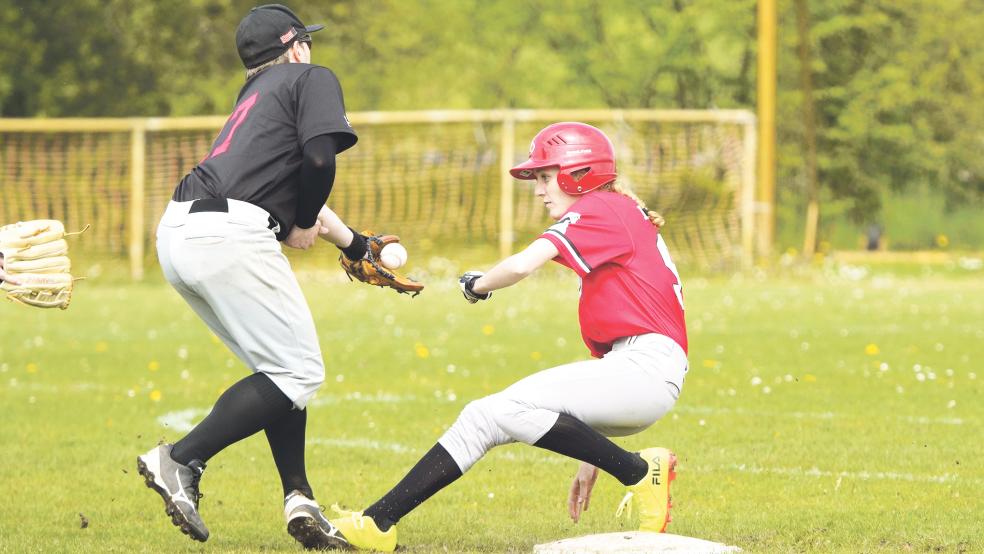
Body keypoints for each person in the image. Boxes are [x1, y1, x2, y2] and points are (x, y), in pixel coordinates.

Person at [330, 122, 689, 551]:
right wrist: (593, 452)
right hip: (636, 370)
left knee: (503, 409)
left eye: (544, 175)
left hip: (645, 369)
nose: (538, 188)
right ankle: (378, 523)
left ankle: (636, 471)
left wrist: (477, 285)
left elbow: (521, 266)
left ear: (580, 172)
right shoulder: (616, 212)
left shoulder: (600, 209)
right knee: (485, 416)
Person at [136, 4, 370, 550]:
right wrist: (305, 222)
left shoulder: (255, 95)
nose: (311, 51)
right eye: (306, 42)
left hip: (178, 230)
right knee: (298, 371)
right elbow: (318, 162)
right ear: (294, 47)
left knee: (278, 371)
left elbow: (277, 179)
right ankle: (180, 459)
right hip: (228, 237)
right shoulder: (311, 76)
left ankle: (299, 499)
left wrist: (353, 242)